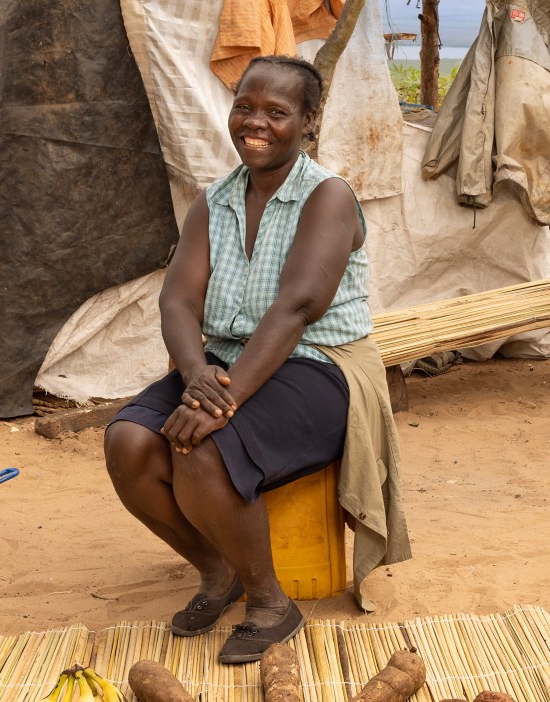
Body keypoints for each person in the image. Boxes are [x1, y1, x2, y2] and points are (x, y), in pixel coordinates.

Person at [103, 55, 408, 665]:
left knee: (203, 445)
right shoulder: (212, 202)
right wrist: (196, 376)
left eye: (277, 112)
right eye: (245, 106)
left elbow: (297, 307)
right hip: (223, 363)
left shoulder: (328, 197)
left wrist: (224, 398)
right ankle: (218, 570)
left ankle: (271, 602)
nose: (256, 123)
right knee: (128, 444)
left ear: (308, 121)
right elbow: (178, 300)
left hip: (323, 365)